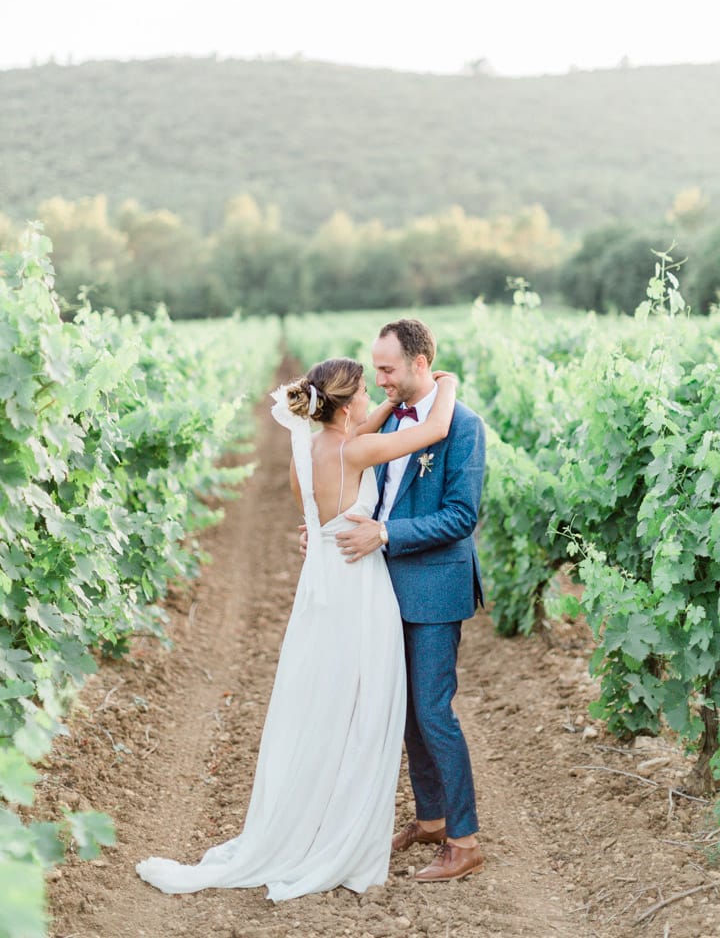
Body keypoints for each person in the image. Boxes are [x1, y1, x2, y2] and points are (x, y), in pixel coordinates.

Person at [135, 356, 458, 902]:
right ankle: (341, 833)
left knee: (322, 702)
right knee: (364, 707)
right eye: (366, 392)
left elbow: (325, 503)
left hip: (320, 589)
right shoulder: (356, 449)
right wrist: (444, 382)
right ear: (349, 401)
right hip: (359, 589)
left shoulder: (307, 453)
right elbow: (436, 428)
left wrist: (378, 407)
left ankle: (308, 819)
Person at [335, 319, 485, 883]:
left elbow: (461, 516)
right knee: (404, 713)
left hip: (435, 588)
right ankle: (431, 818)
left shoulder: (463, 426)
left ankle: (465, 840)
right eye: (375, 368)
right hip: (384, 587)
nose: (379, 379)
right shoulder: (392, 421)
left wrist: (386, 534)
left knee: (433, 712)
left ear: (422, 364)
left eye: (388, 369)